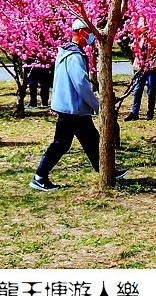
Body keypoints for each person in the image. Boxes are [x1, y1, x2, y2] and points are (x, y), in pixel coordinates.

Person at [31, 18, 127, 191]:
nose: (92, 36)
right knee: (62, 143)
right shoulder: (74, 56)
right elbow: (81, 84)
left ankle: (106, 171)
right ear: (81, 32)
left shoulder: (66, 51)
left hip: (72, 107)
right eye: (89, 32)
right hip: (73, 108)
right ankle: (39, 176)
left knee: (91, 140)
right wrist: (97, 105)